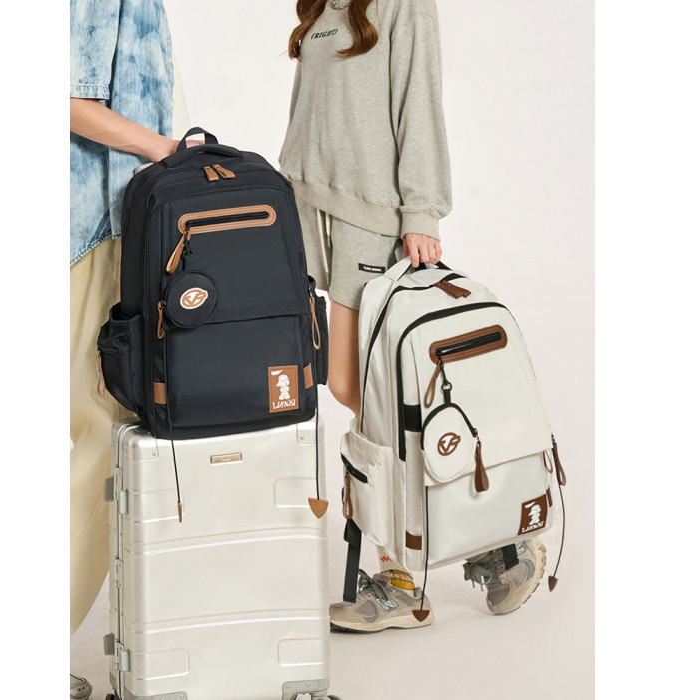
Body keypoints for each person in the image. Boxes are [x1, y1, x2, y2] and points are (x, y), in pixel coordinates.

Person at [280, 0, 545, 633]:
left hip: (371, 218)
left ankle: (435, 563)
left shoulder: (404, 4)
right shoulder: (321, 8)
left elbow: (418, 100)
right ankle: (479, 542)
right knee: (357, 393)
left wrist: (421, 211)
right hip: (316, 216)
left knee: (376, 400)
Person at [69, 1, 190, 696]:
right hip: (91, 229)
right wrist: (165, 150)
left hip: (109, 225)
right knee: (105, 428)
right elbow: (66, 100)